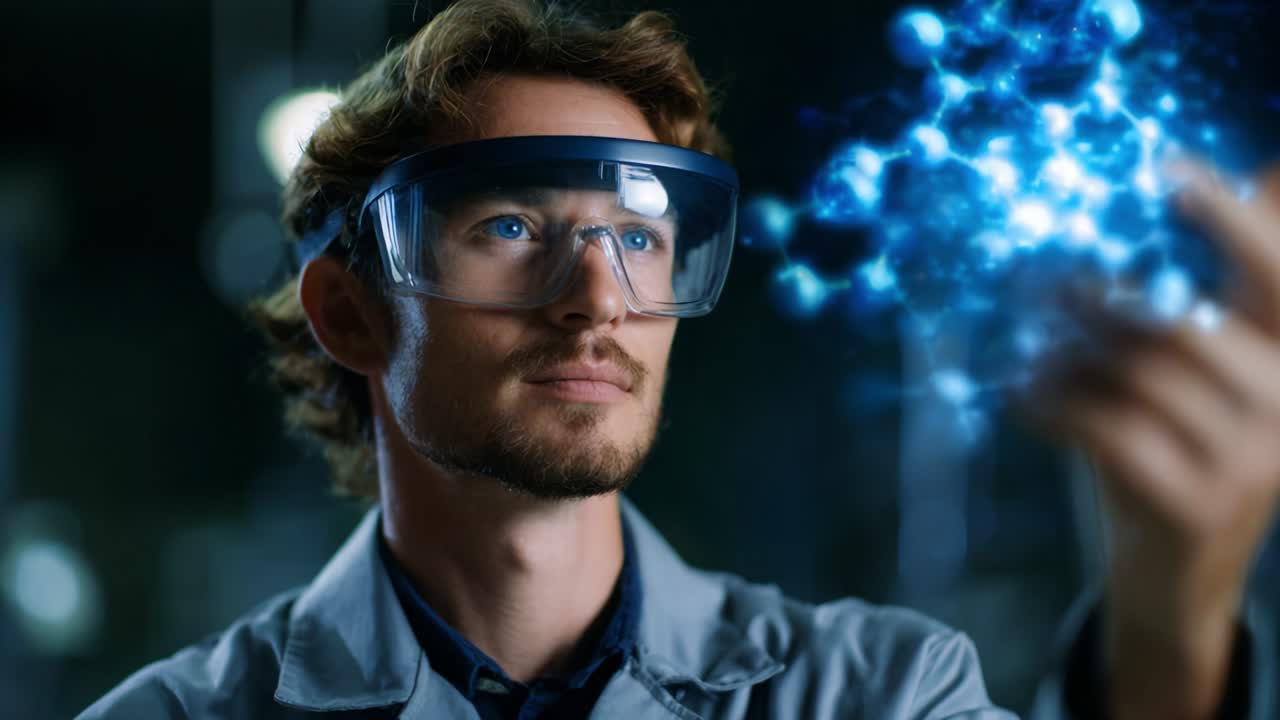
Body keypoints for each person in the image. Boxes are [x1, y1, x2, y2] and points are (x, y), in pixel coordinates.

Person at [80, 1, 1280, 718]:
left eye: (642, 238)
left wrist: (1172, 615)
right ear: (348, 314)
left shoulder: (872, 692)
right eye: (509, 228)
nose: (595, 295)